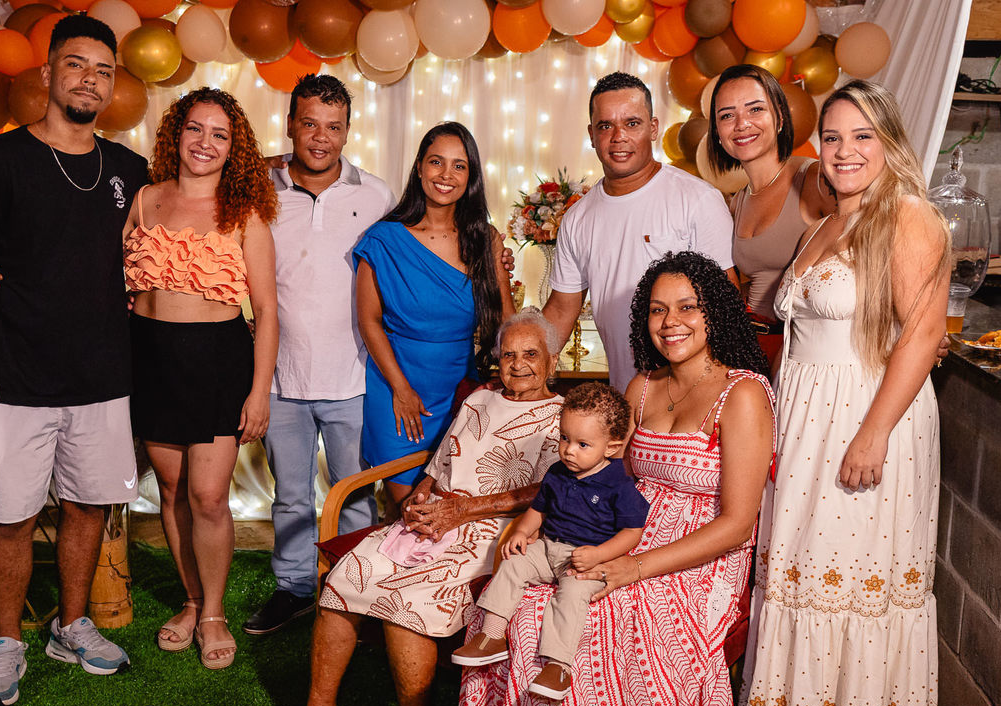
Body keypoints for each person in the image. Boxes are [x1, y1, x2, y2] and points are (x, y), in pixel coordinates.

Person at [457, 254, 776, 706]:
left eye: (686, 308)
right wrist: (543, 525)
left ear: (714, 313)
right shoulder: (641, 389)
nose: (670, 322)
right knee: (523, 604)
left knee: (600, 626)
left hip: (699, 558)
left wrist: (632, 567)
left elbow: (737, 524)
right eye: (657, 310)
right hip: (622, 529)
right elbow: (601, 482)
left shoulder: (740, 393)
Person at [739, 80, 949, 706]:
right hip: (806, 420)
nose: (845, 150)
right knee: (804, 565)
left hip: (868, 418)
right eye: (832, 137)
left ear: (889, 142)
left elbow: (923, 335)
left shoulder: (910, 216)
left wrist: (873, 433)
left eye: (863, 135)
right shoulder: (823, 223)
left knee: (856, 572)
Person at [261, 310, 562, 706]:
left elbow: (553, 489)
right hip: (437, 515)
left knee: (412, 601)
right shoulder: (480, 398)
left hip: (499, 530)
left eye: (531, 354)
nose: (518, 364)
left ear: (551, 361)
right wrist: (421, 497)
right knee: (346, 576)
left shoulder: (562, 416)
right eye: (509, 354)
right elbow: (441, 461)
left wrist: (465, 509)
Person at [0, 16, 146, 706]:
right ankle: (6, 642)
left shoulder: (130, 170)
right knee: (10, 516)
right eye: (77, 65)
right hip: (15, 374)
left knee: (89, 506)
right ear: (48, 73)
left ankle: (72, 623)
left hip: (104, 377)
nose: (90, 79)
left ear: (114, 84)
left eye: (103, 70)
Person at [123, 87, 278, 669]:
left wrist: (259, 391)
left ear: (233, 148)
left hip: (216, 358)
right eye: (195, 129)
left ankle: (213, 612)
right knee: (169, 491)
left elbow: (266, 311)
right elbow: (108, 283)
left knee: (208, 496)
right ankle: (189, 601)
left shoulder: (245, 214)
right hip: (151, 358)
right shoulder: (143, 201)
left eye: (219, 134)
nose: (205, 143)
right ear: (176, 134)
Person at [242, 74, 395, 636]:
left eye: (333, 127)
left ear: (349, 131)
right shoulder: (259, 189)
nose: (321, 138)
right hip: (280, 376)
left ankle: (358, 587)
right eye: (309, 124)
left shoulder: (377, 194)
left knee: (356, 494)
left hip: (355, 375)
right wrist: (266, 161)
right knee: (290, 497)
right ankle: (294, 588)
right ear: (290, 126)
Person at [452, 382, 648, 702]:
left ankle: (558, 667)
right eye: (564, 438)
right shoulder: (558, 473)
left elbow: (632, 532)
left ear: (611, 448)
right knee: (514, 564)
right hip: (547, 546)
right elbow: (538, 511)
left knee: (571, 593)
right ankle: (490, 637)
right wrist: (520, 532)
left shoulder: (619, 486)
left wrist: (600, 554)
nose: (569, 449)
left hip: (587, 557)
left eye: (583, 444)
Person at [355, 121, 515, 512]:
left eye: (459, 166)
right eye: (436, 162)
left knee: (451, 511)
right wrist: (401, 390)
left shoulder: (484, 239)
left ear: (471, 176)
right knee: (409, 512)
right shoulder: (383, 238)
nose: (446, 175)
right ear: (420, 168)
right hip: (397, 391)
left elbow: (506, 324)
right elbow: (369, 321)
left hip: (462, 394)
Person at [542, 71, 734, 393]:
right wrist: (530, 362)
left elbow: (724, 306)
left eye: (632, 123)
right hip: (626, 395)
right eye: (606, 126)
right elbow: (562, 309)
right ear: (592, 134)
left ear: (654, 128)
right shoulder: (577, 218)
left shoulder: (697, 200)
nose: (619, 136)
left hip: (694, 398)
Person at [707, 64, 835, 366]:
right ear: (717, 132)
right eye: (727, 115)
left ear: (778, 116)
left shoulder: (814, 179)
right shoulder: (736, 202)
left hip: (801, 351)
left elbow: (877, 249)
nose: (741, 124)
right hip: (749, 350)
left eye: (755, 109)